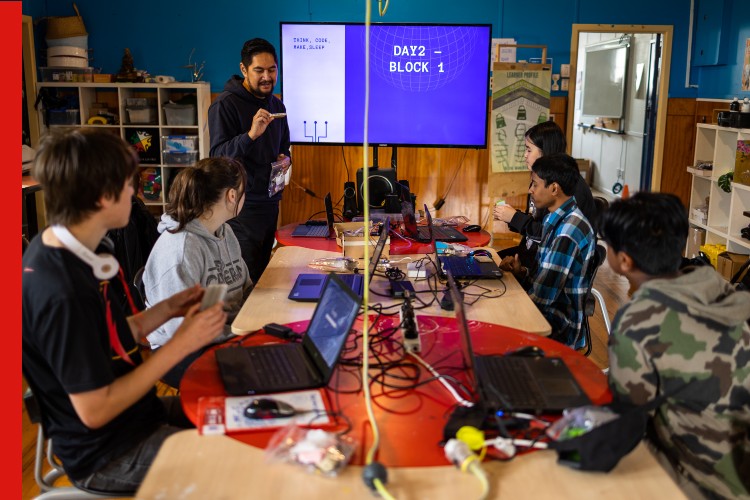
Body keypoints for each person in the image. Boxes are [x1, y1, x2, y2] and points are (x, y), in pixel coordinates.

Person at [22, 129, 227, 494]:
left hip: (135, 418)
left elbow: (107, 334)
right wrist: (181, 344)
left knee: (239, 421)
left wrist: (166, 309)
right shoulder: (60, 290)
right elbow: (95, 410)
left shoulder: (69, 248)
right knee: (236, 464)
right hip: (108, 453)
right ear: (103, 196)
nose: (135, 192)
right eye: (129, 184)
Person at [599, 192, 750, 499]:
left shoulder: (638, 320)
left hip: (700, 484)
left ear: (624, 260)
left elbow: (627, 420)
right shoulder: (721, 287)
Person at [143, 157, 253, 387]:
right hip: (179, 350)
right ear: (232, 196)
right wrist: (241, 332)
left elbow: (245, 287)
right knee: (252, 377)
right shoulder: (181, 249)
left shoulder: (225, 231)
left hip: (226, 331)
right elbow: (181, 330)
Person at [208, 38, 291, 283]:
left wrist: (284, 159)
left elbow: (283, 148)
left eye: (272, 70)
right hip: (240, 210)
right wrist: (251, 135)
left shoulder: (277, 105)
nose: (267, 76)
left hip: (270, 204)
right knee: (244, 280)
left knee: (263, 275)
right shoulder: (225, 105)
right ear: (244, 70)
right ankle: (242, 322)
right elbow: (218, 157)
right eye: (259, 70)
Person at [499, 153, 595, 348]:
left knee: (491, 317)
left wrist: (507, 305)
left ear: (554, 188)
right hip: (545, 312)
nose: (530, 190)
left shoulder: (568, 232)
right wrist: (521, 272)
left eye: (534, 184)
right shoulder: (555, 218)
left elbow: (541, 297)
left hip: (558, 327)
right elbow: (543, 279)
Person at [494, 121, 596, 269]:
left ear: (544, 152)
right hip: (533, 253)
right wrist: (511, 217)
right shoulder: (541, 180)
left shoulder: (569, 187)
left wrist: (515, 218)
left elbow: (551, 234)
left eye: (529, 150)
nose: (524, 155)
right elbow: (537, 222)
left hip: (552, 260)